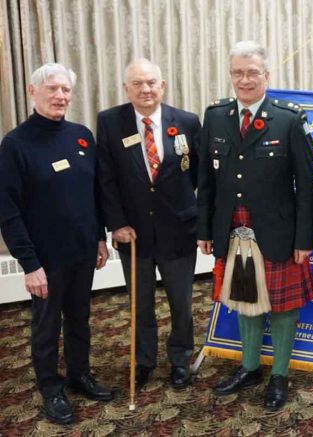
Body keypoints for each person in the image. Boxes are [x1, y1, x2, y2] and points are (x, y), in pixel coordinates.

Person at [196, 40, 313, 411]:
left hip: (278, 231)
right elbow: (206, 180)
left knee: (281, 306)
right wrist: (205, 230)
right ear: (231, 75)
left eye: (252, 73)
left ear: (267, 76)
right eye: (238, 72)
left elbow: (306, 186)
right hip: (232, 229)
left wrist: (303, 237)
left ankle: (279, 374)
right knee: (245, 301)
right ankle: (249, 367)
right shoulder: (215, 116)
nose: (244, 80)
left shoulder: (289, 118)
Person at [0, 63, 114, 424]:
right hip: (46, 259)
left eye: (65, 89)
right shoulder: (15, 145)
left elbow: (93, 194)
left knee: (80, 318)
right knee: (46, 326)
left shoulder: (82, 136)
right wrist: (29, 264)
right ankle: (51, 388)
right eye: (51, 89)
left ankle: (79, 375)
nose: (60, 96)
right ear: (33, 92)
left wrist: (99, 238)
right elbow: (8, 211)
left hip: (83, 251)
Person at [97, 58, 201, 390]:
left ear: (163, 85)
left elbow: (198, 174)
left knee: (181, 303)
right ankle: (144, 361)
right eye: (138, 83)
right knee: (139, 304)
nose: (146, 89)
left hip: (178, 231)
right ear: (126, 88)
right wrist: (116, 224)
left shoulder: (186, 121)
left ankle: (180, 359)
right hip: (134, 234)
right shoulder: (110, 122)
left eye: (152, 82)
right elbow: (106, 179)